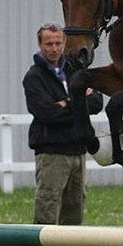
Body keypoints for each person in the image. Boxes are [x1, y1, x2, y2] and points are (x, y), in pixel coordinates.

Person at [23, 23, 103, 225]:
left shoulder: (76, 71)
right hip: (52, 152)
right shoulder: (33, 78)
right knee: (48, 207)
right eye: (49, 43)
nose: (54, 48)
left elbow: (97, 102)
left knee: (75, 210)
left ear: (64, 42)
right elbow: (48, 114)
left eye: (58, 43)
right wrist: (78, 102)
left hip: (78, 150)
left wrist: (65, 103)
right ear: (40, 45)